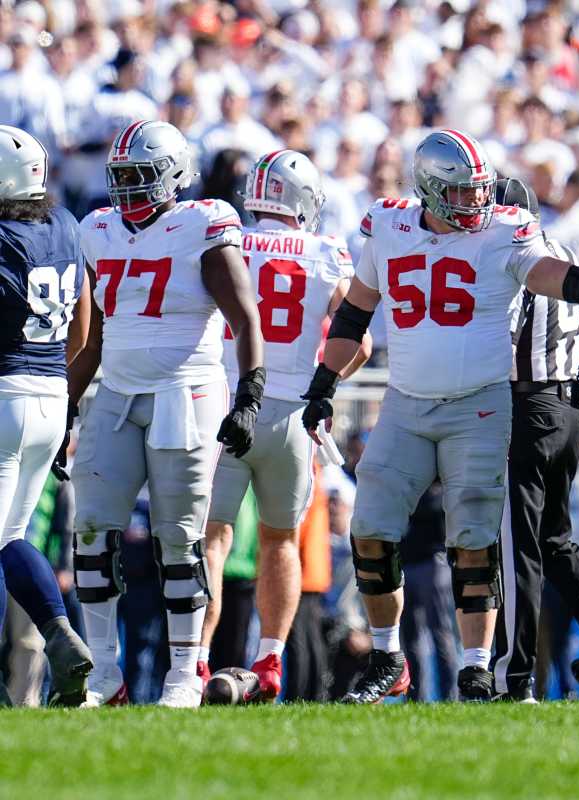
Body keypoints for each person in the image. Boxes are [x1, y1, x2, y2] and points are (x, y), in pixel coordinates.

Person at [299, 129, 579, 703]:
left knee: (481, 537)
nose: (474, 204)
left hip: (484, 402)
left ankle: (485, 669)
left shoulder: (504, 232)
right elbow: (356, 311)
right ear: (429, 190)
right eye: (460, 193)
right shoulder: (388, 226)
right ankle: (388, 653)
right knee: (371, 529)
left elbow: (565, 280)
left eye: (479, 191)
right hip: (409, 402)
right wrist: (324, 383)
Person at [70, 120, 265, 707]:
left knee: (179, 541)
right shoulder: (98, 229)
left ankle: (185, 672)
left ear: (175, 175)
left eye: (139, 177)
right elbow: (95, 338)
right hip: (118, 392)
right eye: (120, 177)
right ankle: (105, 672)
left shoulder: (201, 223)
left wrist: (250, 393)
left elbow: (245, 318)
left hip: (187, 393)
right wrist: (65, 406)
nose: (127, 189)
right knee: (90, 531)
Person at [199, 149, 370, 702]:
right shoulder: (324, 251)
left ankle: (195, 661)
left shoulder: (226, 238)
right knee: (281, 541)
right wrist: (324, 383)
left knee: (213, 539)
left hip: (224, 402)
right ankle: (269, 659)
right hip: (292, 413)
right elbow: (360, 344)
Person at [488, 177, 579, 703]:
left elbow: (502, 340)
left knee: (519, 545)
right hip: (568, 408)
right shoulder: (563, 250)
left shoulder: (511, 258)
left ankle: (515, 676)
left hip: (526, 405)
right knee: (557, 541)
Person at [0, 125, 93, 706]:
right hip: (52, 393)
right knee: (11, 536)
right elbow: (84, 324)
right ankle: (60, 634)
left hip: (6, 391)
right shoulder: (66, 226)